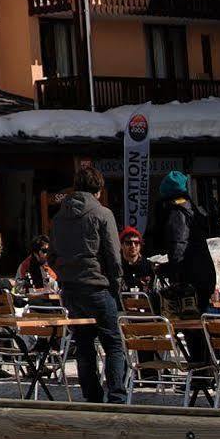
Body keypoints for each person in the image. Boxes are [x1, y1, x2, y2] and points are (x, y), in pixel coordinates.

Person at [51, 163, 129, 404]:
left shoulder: (59, 217)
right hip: (97, 285)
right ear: (98, 190)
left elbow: (53, 254)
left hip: (71, 288)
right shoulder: (103, 214)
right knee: (113, 344)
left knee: (84, 346)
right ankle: (116, 397)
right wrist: (116, 287)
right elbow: (114, 256)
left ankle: (92, 398)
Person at [154, 172, 218, 316]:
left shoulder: (178, 214)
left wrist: (171, 270)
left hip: (190, 281)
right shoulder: (190, 209)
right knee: (198, 323)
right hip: (202, 276)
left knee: (190, 325)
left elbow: (179, 247)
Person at [119, 227, 160, 299]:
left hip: (146, 306)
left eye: (136, 243)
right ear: (122, 245)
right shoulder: (117, 265)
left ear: (140, 245)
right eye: (129, 243)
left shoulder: (148, 265)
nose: (133, 246)